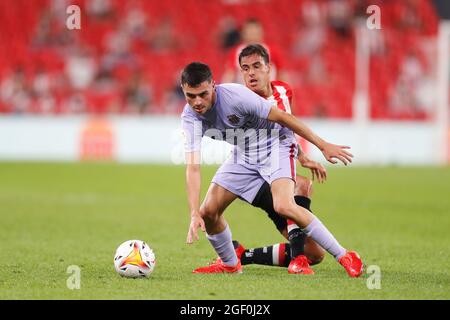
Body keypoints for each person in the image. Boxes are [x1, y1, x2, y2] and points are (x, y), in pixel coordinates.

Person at [181, 62, 363, 277]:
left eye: (202, 94)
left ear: (213, 85)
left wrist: (321, 145)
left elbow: (284, 117)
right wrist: (193, 212)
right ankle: (231, 264)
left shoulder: (236, 96)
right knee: (208, 213)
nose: (197, 102)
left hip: (274, 143)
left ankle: (345, 255)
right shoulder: (190, 118)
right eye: (190, 96)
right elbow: (193, 167)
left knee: (284, 205)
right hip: (245, 153)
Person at [227, 44, 328, 273]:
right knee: (301, 185)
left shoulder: (283, 91)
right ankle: (298, 261)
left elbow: (284, 129)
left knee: (317, 254)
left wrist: (302, 157)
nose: (251, 73)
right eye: (245, 68)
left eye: (256, 66)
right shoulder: (240, 99)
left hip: (273, 171)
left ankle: (243, 256)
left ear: (268, 68)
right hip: (253, 177)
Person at [221, 18, 286, 84]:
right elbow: (230, 74)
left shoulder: (272, 50)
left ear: (261, 32)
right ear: (243, 33)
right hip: (244, 92)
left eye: (255, 31)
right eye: (250, 31)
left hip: (268, 91)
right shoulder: (235, 52)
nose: (252, 34)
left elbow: (282, 73)